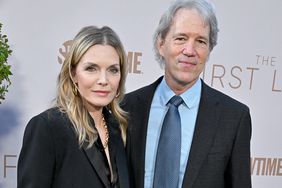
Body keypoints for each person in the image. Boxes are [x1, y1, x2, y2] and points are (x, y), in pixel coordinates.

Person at [122, 0, 252, 187]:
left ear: (209, 50)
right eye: (181, 38)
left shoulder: (233, 118)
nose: (190, 51)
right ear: (161, 44)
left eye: (200, 41)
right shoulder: (127, 107)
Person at [17, 25, 130, 188]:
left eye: (113, 70)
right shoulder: (48, 128)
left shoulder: (119, 129)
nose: (104, 80)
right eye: (91, 69)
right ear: (73, 74)